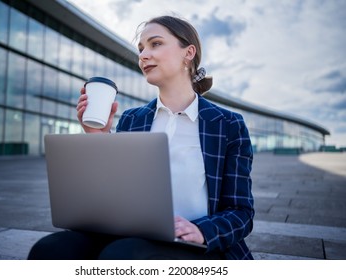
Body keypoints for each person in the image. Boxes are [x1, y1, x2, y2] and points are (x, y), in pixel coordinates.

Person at [28, 15, 254, 260]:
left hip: (192, 244)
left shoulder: (228, 124)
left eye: (155, 44)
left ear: (188, 53)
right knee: (49, 250)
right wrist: (99, 139)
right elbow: (115, 193)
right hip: (129, 233)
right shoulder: (132, 119)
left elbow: (241, 211)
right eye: (141, 48)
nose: (143, 55)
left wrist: (201, 230)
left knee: (121, 256)